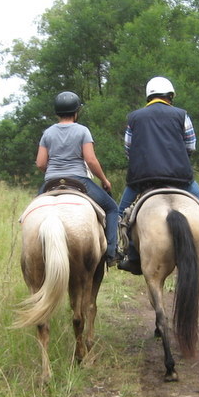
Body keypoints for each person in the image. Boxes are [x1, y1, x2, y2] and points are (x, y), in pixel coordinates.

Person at [117, 76, 199, 274]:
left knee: (121, 212)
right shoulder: (181, 115)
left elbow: (128, 148)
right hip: (178, 177)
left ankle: (128, 254)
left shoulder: (134, 117)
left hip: (142, 179)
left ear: (148, 97)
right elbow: (191, 145)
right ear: (170, 96)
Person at [36, 90, 119, 267]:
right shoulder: (82, 131)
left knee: (31, 214)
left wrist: (52, 170)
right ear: (76, 112)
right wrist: (104, 180)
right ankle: (112, 252)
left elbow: (40, 163)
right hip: (79, 181)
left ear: (57, 112)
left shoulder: (47, 133)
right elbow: (90, 160)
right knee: (112, 208)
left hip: (51, 182)